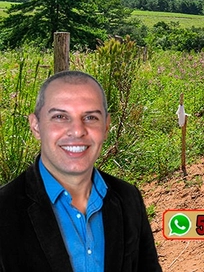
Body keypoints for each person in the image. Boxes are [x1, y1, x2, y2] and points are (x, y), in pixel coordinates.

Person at [0, 70, 162, 272]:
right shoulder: (4, 209)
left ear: (105, 126)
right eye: (60, 116)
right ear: (36, 126)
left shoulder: (128, 198)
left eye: (91, 117)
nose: (77, 131)